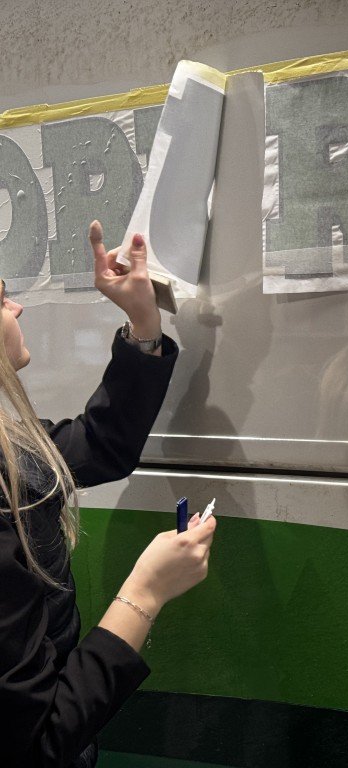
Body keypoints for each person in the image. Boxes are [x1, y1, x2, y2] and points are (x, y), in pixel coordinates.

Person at [0, 221, 217, 768]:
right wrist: (146, 591)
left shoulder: (10, 449)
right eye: (1, 298)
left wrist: (144, 324)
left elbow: (98, 447)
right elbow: (41, 745)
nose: (17, 308)